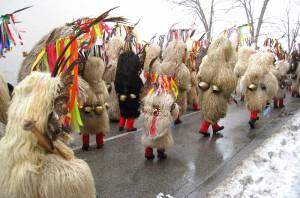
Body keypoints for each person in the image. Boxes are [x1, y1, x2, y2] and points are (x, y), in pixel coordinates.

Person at [197, 37, 237, 137]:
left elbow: (200, 74)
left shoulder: (207, 60)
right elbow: (226, 81)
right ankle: (204, 128)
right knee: (213, 110)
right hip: (216, 92)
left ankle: (215, 127)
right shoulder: (224, 65)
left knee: (211, 109)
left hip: (206, 90)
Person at [115, 51, 143, 132]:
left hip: (122, 94)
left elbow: (116, 83)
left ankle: (121, 125)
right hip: (132, 95)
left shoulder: (119, 74)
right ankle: (129, 126)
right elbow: (138, 85)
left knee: (123, 108)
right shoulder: (134, 76)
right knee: (132, 110)